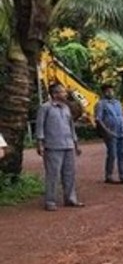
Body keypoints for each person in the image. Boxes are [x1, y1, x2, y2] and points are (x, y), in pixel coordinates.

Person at [36, 83, 83, 211]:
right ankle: (50, 201)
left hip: (68, 145)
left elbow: (71, 127)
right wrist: (40, 144)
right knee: (53, 174)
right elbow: (40, 126)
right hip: (52, 146)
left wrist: (76, 144)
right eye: (62, 92)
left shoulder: (66, 108)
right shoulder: (45, 108)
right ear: (55, 94)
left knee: (70, 173)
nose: (65, 94)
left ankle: (70, 199)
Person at [94, 83, 123, 185]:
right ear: (103, 92)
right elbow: (98, 119)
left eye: (111, 90)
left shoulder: (118, 103)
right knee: (112, 154)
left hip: (121, 131)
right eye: (107, 91)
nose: (110, 92)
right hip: (111, 133)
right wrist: (106, 131)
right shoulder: (101, 104)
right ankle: (109, 175)